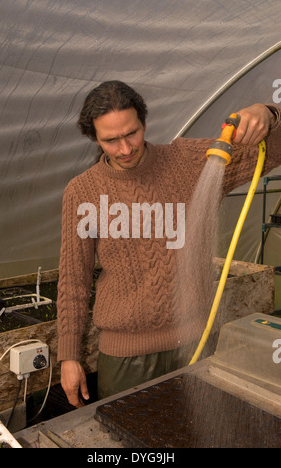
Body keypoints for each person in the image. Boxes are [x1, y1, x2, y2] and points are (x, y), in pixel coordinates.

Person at [57, 80, 281, 408]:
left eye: (131, 133)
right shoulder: (83, 192)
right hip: (125, 359)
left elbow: (273, 151)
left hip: (195, 341)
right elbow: (73, 281)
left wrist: (269, 113)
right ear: (94, 137)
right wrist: (69, 357)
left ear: (144, 123)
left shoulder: (189, 161)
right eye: (110, 140)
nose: (125, 148)